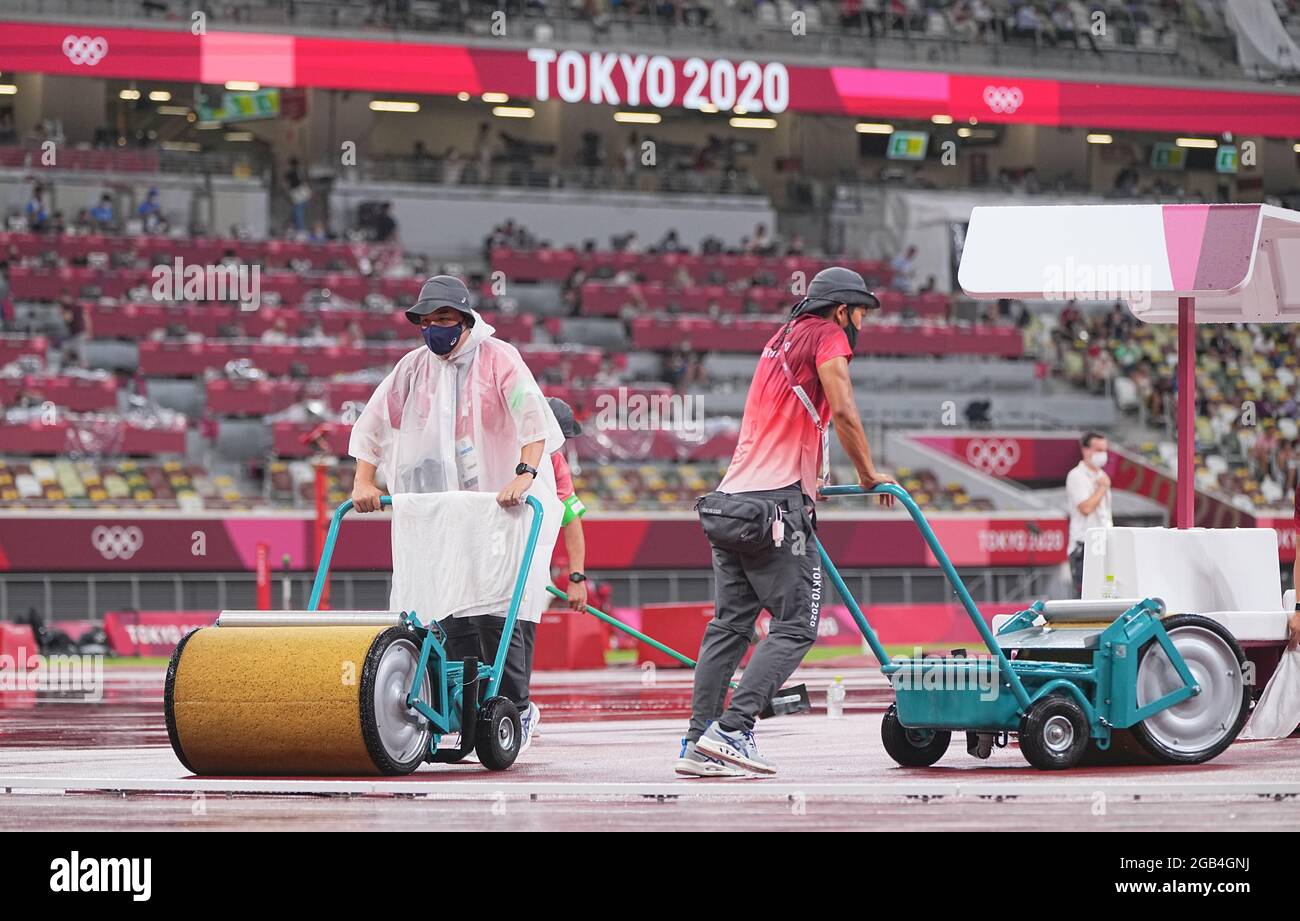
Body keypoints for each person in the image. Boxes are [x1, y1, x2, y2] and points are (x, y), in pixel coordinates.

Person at [678, 267, 898, 777]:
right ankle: (733, 731)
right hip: (778, 507)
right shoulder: (825, 336)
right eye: (860, 312)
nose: (861, 323)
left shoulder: (779, 339)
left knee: (729, 625)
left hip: (732, 501)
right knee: (797, 624)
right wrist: (867, 473)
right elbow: (843, 409)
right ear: (841, 309)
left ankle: (697, 741)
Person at [348, 275, 564, 756]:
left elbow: (533, 419)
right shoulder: (412, 369)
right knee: (442, 614)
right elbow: (374, 425)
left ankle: (515, 707)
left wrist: (525, 474)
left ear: (465, 320)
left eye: (443, 320)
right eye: (426, 322)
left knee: (497, 610)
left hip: (503, 510)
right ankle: (460, 712)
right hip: (438, 514)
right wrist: (364, 481)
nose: (434, 329)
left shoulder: (500, 359)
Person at [1066, 431, 1113, 598]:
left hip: (1105, 544)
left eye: (1105, 450)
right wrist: (1101, 488)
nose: (1103, 454)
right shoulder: (1076, 476)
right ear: (1086, 450)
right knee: (1085, 596)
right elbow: (1085, 508)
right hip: (1084, 546)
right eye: (1098, 449)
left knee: (1107, 593)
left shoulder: (1102, 476)